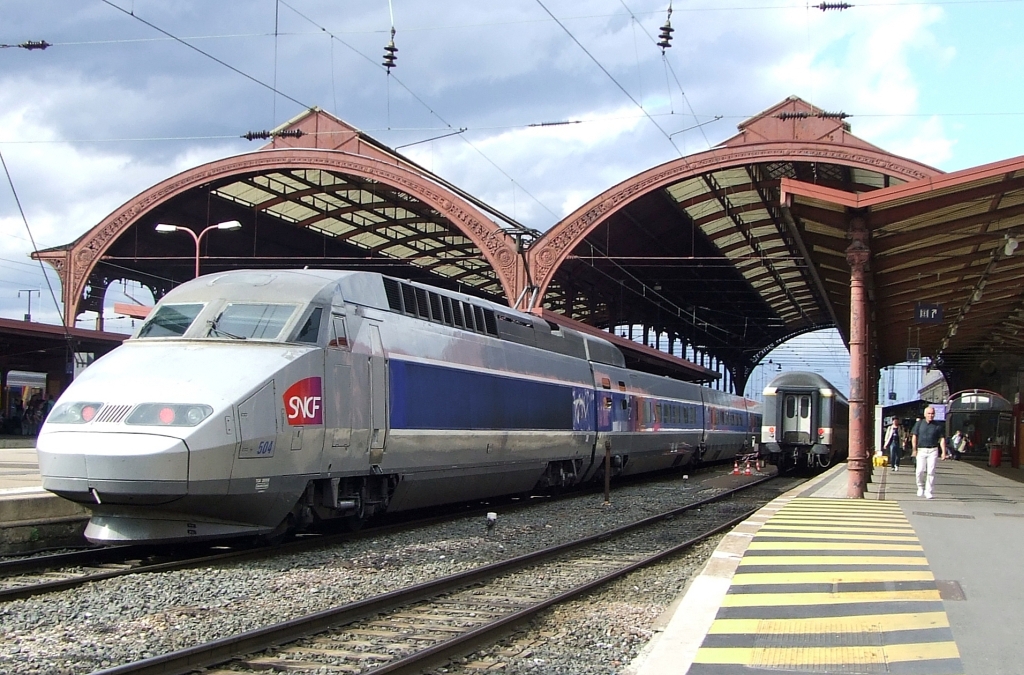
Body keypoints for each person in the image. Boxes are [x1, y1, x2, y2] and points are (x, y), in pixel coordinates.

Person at [911, 406, 947, 499]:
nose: (931, 415)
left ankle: (929, 491)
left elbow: (942, 439)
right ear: (925, 414)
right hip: (921, 450)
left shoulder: (938, 425)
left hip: (933, 450)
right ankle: (920, 487)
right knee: (920, 471)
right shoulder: (919, 424)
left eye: (932, 414)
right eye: (929, 413)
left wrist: (943, 452)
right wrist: (914, 450)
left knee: (931, 471)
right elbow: (914, 436)